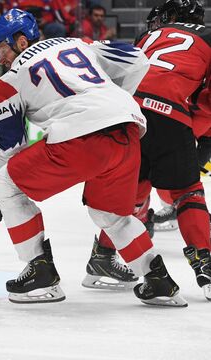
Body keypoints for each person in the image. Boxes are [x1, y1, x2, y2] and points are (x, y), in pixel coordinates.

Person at [0, 8, 186, 306]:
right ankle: (158, 280)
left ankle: (41, 273)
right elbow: (138, 59)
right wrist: (110, 101)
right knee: (110, 215)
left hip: (81, 139)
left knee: (4, 184)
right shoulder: (76, 43)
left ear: (21, 42)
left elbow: (10, 148)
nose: (2, 58)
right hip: (127, 130)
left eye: (2, 49)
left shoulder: (10, 81)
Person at [128, 0, 211, 300]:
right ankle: (206, 264)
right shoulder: (207, 37)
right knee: (188, 191)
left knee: (128, 193)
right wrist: (191, 129)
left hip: (127, 116)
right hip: (173, 117)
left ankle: (110, 257)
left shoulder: (146, 36)